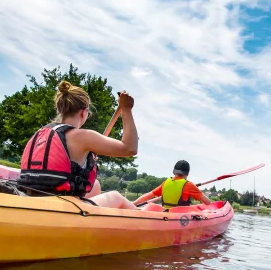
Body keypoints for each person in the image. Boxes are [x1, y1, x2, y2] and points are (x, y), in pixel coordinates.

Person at [18, 81, 139, 209]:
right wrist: (126, 109)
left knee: (96, 185)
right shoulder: (83, 136)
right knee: (115, 196)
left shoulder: (40, 133)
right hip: (60, 206)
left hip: (33, 198)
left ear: (59, 110)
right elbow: (130, 148)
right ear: (84, 112)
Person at [135, 160, 211, 209]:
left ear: (174, 172)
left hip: (165, 214)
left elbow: (148, 195)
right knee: (203, 211)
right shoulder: (189, 185)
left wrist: (133, 204)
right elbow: (208, 202)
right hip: (180, 216)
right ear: (187, 173)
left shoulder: (165, 182)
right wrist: (196, 192)